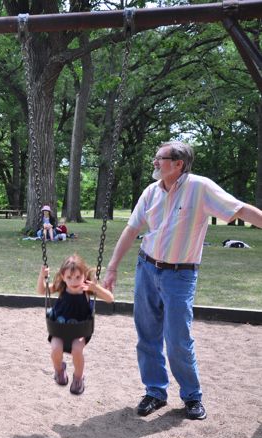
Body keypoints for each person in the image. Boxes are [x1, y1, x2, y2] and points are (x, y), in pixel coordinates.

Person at [103, 141, 262, 420]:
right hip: (146, 268)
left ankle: (192, 396)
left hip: (180, 274)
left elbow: (240, 210)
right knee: (147, 335)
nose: (155, 161)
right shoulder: (151, 192)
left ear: (178, 164)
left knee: (178, 339)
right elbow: (132, 228)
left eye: (160, 157)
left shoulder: (200, 188)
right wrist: (112, 267)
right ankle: (155, 392)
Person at [37, 254, 114, 395]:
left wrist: (96, 288)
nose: (74, 281)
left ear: (84, 275)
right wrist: (42, 276)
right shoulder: (61, 288)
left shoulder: (87, 289)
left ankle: (78, 378)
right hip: (59, 329)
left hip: (80, 330)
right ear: (63, 276)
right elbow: (41, 291)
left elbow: (110, 298)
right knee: (55, 348)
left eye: (78, 277)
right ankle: (59, 370)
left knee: (77, 349)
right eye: (69, 277)